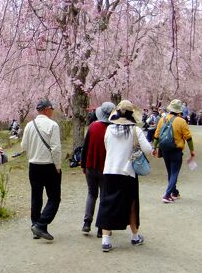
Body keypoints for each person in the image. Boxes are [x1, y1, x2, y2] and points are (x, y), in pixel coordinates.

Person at [96, 100, 153, 252]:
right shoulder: (135, 131)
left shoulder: (109, 130)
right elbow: (148, 150)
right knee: (132, 205)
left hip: (109, 171)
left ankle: (106, 240)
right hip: (128, 172)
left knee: (107, 204)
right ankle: (135, 237)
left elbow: (107, 146)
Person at [20, 99, 62, 241]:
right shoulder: (52, 125)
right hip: (49, 165)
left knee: (36, 197)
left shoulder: (29, 125)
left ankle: (35, 226)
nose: (52, 111)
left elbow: (24, 146)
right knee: (54, 198)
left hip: (34, 166)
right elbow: (56, 148)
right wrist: (58, 166)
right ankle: (41, 224)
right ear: (46, 110)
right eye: (52, 108)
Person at [80, 101, 115, 237]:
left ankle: (87, 223)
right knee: (104, 196)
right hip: (106, 167)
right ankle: (101, 228)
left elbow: (85, 147)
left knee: (91, 194)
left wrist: (83, 164)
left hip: (90, 165)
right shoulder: (113, 129)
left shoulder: (93, 126)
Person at [153, 99, 196, 203]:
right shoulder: (181, 121)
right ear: (179, 111)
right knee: (174, 173)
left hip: (164, 150)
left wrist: (154, 148)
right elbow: (188, 138)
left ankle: (174, 192)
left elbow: (157, 135)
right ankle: (167, 195)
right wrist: (192, 150)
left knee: (170, 172)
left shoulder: (162, 119)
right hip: (176, 150)